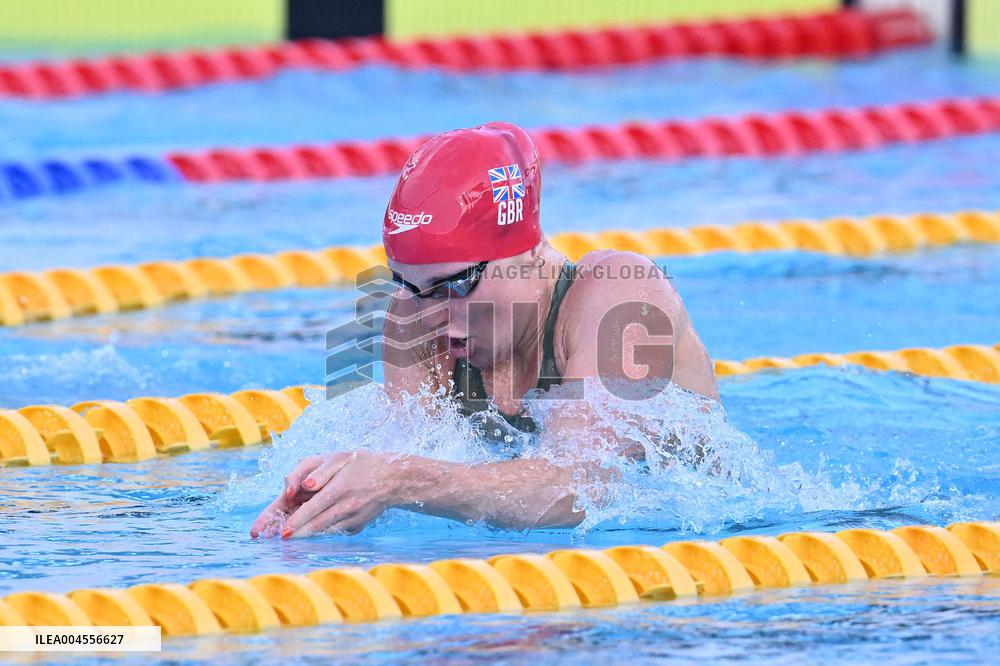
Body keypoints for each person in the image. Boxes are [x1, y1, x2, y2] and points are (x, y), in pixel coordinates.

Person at [251, 121, 718, 539]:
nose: (432, 314)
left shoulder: (620, 296)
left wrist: (400, 480)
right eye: (412, 286)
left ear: (528, 252)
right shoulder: (414, 313)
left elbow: (583, 488)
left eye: (457, 283)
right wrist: (334, 496)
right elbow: (403, 469)